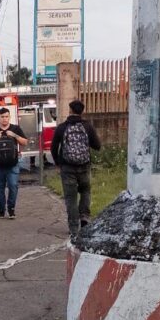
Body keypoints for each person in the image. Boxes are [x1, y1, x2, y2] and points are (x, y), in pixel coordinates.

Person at [50, 100, 101, 236]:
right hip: (84, 166)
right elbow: (97, 146)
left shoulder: (62, 127)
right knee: (85, 191)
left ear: (70, 110)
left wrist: (58, 162)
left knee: (70, 198)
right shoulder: (87, 126)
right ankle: (84, 216)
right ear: (82, 111)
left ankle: (73, 228)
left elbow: (53, 147)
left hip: (67, 168)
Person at [0, 107, 28, 219]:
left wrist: (15, 135)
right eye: (2, 117)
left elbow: (25, 142)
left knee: (13, 186)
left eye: (6, 116)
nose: (4, 119)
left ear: (9, 117)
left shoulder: (15, 128)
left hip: (13, 164)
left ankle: (11, 209)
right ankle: (1, 211)